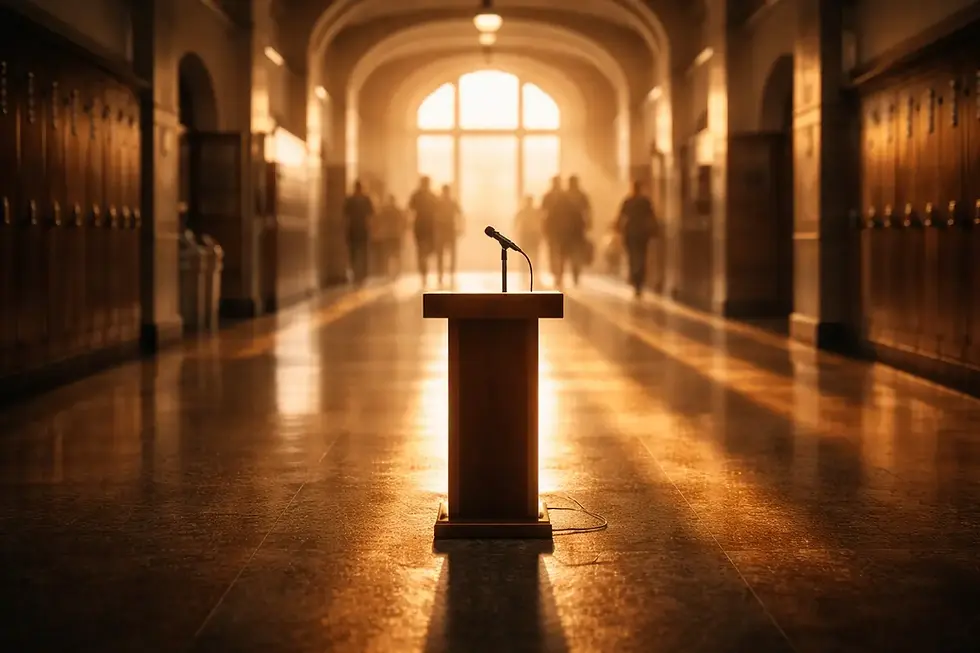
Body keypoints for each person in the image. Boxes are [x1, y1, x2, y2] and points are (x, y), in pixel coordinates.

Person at [616, 179, 659, 298]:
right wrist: (655, 230)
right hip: (642, 233)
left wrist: (618, 228)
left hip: (630, 233)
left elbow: (621, 216)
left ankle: (635, 279)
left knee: (632, 256)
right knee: (641, 256)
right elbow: (651, 216)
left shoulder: (628, 201)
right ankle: (639, 281)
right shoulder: (645, 202)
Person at [408, 176, 440, 287]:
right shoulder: (430, 196)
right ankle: (423, 273)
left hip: (424, 227)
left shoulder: (421, 196)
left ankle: (423, 272)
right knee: (423, 251)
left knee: (424, 251)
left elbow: (410, 208)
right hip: (425, 227)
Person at [343, 180, 374, 285]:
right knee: (363, 252)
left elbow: (345, 216)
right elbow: (371, 215)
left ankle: (356, 273)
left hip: (353, 229)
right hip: (362, 229)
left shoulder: (350, 200)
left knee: (354, 252)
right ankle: (363, 274)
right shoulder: (366, 200)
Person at [435, 184, 462, 284]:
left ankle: (449, 272)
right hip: (444, 230)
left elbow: (459, 214)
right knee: (442, 253)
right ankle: (442, 273)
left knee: (446, 253)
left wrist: (460, 228)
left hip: (447, 230)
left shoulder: (447, 202)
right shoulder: (441, 202)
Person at [377, 194, 406, 278]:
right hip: (395, 234)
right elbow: (403, 221)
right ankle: (396, 271)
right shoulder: (397, 210)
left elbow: (379, 220)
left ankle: (388, 271)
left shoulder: (385, 210)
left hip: (388, 234)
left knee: (388, 254)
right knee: (395, 254)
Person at [514, 195, 542, 265]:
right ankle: (526, 268)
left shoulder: (534, 211)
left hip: (532, 234)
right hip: (527, 234)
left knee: (533, 254)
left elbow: (540, 222)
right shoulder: (524, 211)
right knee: (526, 252)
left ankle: (532, 267)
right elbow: (516, 222)